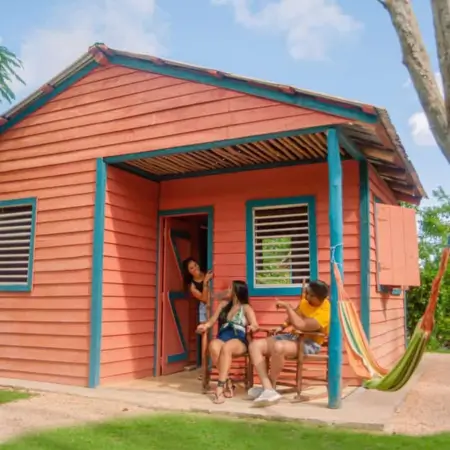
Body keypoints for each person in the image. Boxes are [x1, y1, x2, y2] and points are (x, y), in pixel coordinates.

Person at [248, 280, 330, 406]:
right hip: (292, 336)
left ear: (320, 298)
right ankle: (268, 388)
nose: (307, 297)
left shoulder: (325, 312)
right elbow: (294, 315)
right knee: (255, 346)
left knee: (279, 347)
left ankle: (271, 388)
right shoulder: (305, 302)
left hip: (310, 343)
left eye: (311, 295)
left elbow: (301, 324)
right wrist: (282, 326)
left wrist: (287, 307)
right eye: (307, 293)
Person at [196, 280, 258, 404]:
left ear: (236, 291)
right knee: (213, 345)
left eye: (230, 288)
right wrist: (205, 326)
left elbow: (255, 324)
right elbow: (211, 321)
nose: (227, 290)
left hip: (239, 339)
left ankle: (219, 388)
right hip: (223, 336)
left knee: (227, 348)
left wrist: (252, 327)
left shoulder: (245, 307)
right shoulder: (223, 305)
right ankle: (228, 382)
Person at [182, 257, 213, 324]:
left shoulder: (207, 271)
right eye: (191, 268)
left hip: (214, 300)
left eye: (195, 265)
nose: (195, 268)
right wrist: (205, 282)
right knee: (205, 328)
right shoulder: (192, 287)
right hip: (204, 307)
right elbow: (204, 299)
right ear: (188, 272)